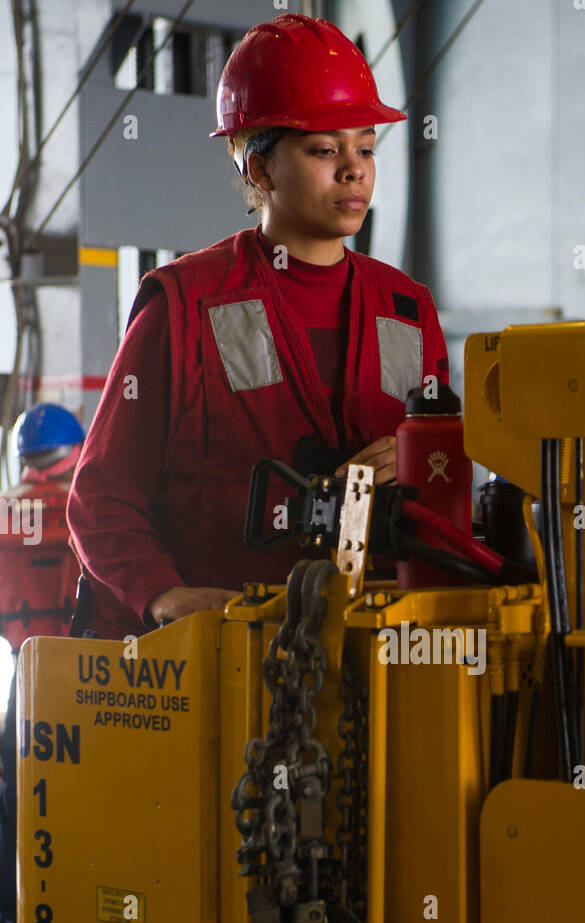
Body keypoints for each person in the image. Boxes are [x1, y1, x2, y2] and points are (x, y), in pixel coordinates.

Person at [66, 12, 450, 640]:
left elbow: (445, 480)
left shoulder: (407, 309)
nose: (354, 170)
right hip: (224, 659)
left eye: (365, 149)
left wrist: (425, 463)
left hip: (373, 657)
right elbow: (102, 494)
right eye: (325, 150)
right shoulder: (186, 303)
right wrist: (165, 598)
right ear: (260, 168)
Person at [0, 403, 84, 923]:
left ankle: (15, 914)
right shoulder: (90, 510)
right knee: (79, 801)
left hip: (24, 679)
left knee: (17, 796)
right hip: (85, 679)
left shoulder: (6, 513)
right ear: (77, 450)